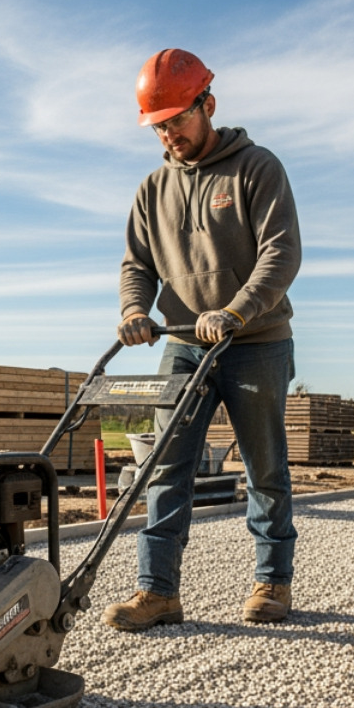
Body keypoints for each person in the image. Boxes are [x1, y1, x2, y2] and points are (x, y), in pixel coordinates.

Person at [101, 48, 301, 631]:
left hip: (256, 339)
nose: (169, 136)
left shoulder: (256, 168)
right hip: (185, 343)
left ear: (206, 105)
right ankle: (158, 591)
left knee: (265, 467)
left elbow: (280, 253)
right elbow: (136, 264)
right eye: (158, 127)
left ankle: (272, 582)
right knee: (164, 467)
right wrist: (135, 308)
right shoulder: (152, 189)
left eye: (177, 121)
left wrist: (237, 311)